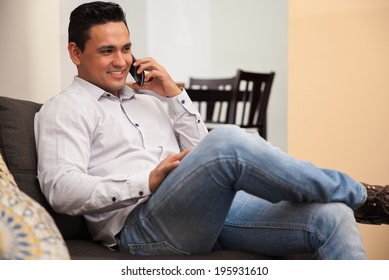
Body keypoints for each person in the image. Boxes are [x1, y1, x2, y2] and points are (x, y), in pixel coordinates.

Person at [34, 1, 389, 260]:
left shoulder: (149, 99)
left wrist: (174, 95)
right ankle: (363, 196)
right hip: (141, 228)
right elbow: (62, 190)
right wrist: (148, 181)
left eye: (126, 48)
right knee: (229, 138)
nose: (122, 61)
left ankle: (353, 202)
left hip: (204, 213)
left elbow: (212, 159)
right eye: (107, 51)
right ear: (75, 53)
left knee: (333, 215)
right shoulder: (64, 109)